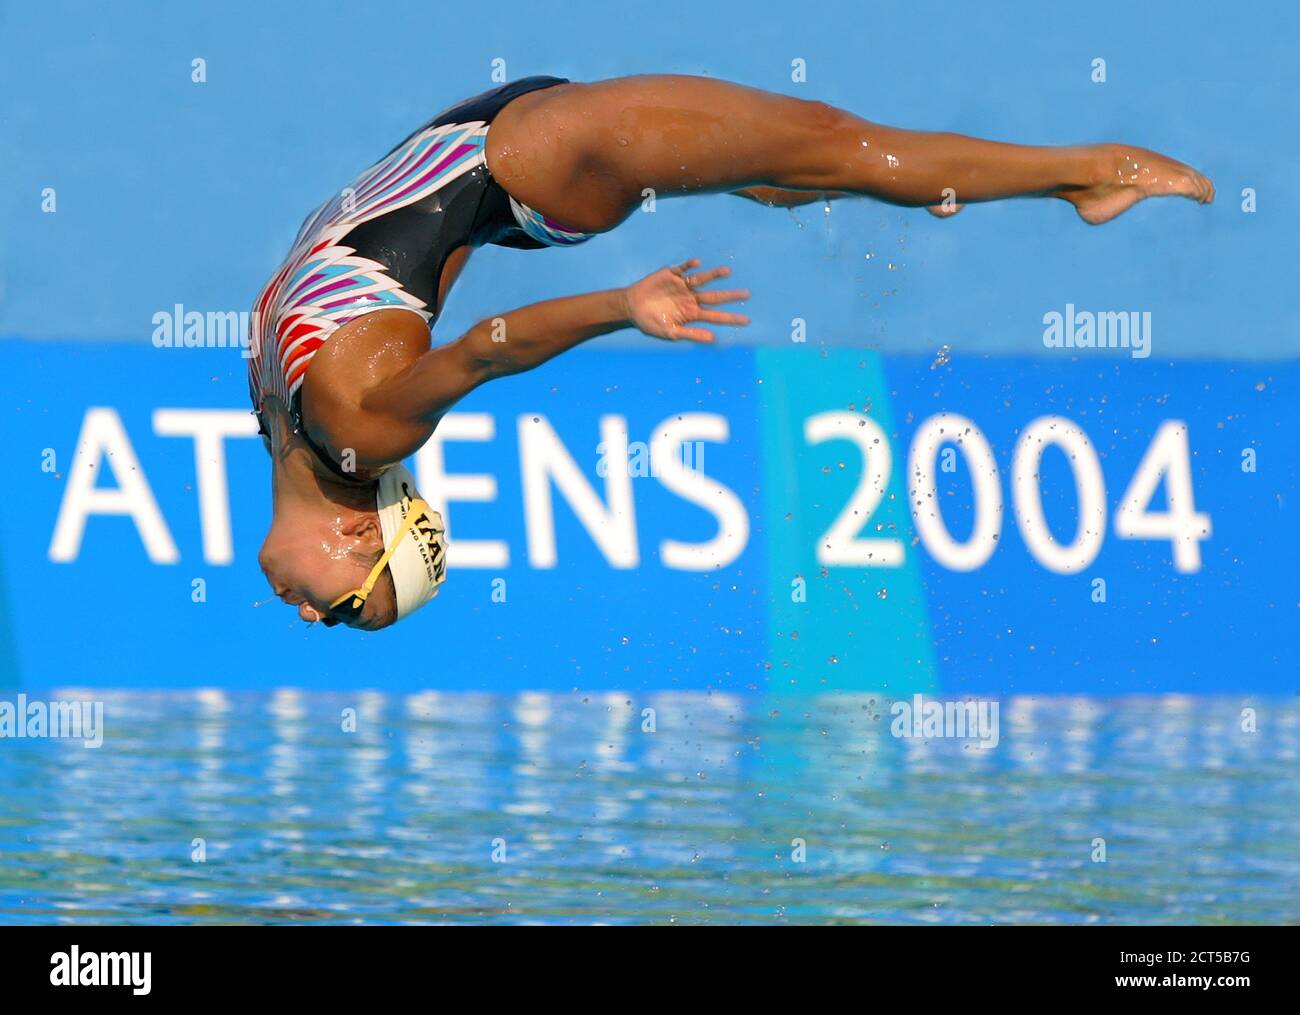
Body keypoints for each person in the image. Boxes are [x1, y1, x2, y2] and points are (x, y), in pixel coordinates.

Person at [250, 74, 1213, 630]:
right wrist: (623, 305)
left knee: (815, 159)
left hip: (508, 155)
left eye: (341, 614)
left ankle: (797, 182)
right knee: (848, 149)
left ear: (358, 535)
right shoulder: (355, 432)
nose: (309, 616)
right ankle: (1093, 173)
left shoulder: (298, 425)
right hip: (535, 165)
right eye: (340, 612)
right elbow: (491, 350)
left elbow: (474, 343)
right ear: (356, 537)